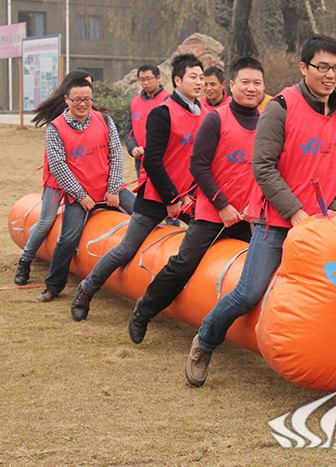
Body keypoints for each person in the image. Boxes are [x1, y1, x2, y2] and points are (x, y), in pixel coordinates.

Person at [184, 34, 336, 388]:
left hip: (322, 224)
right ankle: (205, 341)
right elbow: (262, 166)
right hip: (276, 220)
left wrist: (331, 213)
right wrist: (294, 212)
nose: (329, 75)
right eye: (321, 67)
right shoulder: (281, 107)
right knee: (248, 293)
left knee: (334, 292)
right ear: (304, 67)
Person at [127, 57, 265, 344]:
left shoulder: (266, 124)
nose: (251, 88)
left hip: (246, 215)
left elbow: (266, 169)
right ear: (231, 85)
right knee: (183, 264)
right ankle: (144, 310)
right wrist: (222, 205)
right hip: (213, 212)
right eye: (245, 82)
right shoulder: (215, 118)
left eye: (257, 83)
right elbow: (198, 167)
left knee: (256, 271)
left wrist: (254, 207)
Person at [70, 53, 206, 321]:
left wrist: (190, 195)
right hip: (158, 196)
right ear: (177, 80)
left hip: (187, 198)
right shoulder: (162, 112)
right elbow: (153, 162)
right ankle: (86, 290)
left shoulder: (203, 113)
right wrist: (171, 198)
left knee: (213, 235)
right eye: (193, 76)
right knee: (126, 250)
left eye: (202, 77)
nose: (199, 82)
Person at [36, 78, 135, 302]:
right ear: (67, 100)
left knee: (145, 217)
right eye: (78, 100)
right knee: (68, 238)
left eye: (87, 99)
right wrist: (81, 196)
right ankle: (53, 286)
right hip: (81, 196)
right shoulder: (55, 128)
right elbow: (58, 167)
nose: (83, 104)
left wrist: (113, 189)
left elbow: (116, 156)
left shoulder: (104, 120)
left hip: (110, 190)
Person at [15, 70, 93, 286]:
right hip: (58, 179)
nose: (84, 97)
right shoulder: (61, 117)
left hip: (83, 179)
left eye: (88, 89)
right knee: (47, 220)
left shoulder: (93, 114)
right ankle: (25, 260)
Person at [124, 65, 170, 175]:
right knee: (142, 191)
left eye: (149, 79)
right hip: (140, 159)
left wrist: (149, 150)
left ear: (158, 78)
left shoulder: (168, 100)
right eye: (142, 80)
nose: (146, 83)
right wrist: (133, 148)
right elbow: (129, 129)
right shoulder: (135, 102)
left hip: (161, 161)